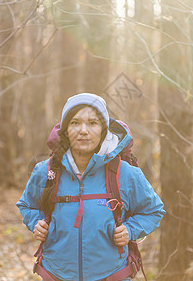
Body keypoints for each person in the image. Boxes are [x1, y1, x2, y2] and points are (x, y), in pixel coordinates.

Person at [17, 93, 166, 280]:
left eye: (93, 123)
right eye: (75, 123)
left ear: (104, 130)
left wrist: (130, 229)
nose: (83, 130)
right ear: (65, 130)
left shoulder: (125, 173)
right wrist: (35, 222)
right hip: (56, 274)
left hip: (112, 275)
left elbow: (154, 210)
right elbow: (26, 205)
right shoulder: (45, 171)